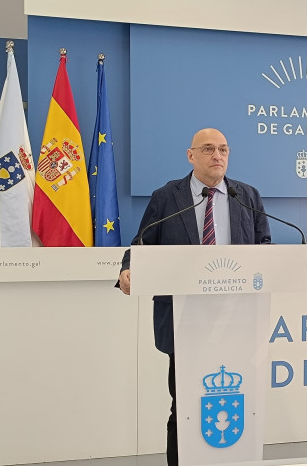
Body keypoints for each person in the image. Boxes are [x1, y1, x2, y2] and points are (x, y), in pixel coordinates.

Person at [117, 127, 271, 466]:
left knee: (237, 397)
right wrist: (128, 267)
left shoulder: (247, 195)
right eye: (208, 149)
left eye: (223, 149)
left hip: (238, 316)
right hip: (185, 319)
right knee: (185, 403)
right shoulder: (166, 197)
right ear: (191, 156)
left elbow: (264, 247)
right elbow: (142, 241)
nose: (218, 156)